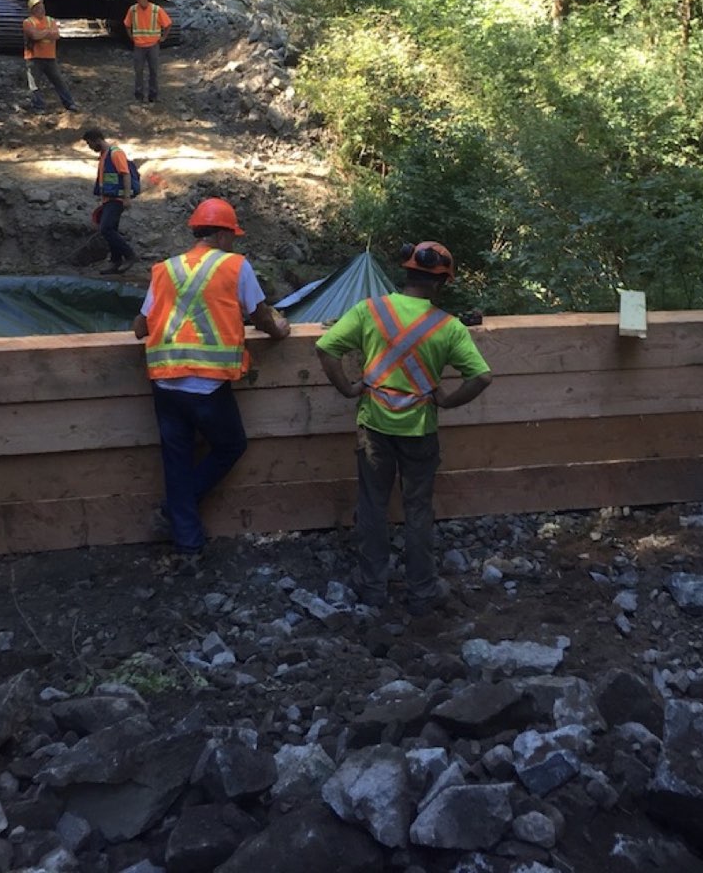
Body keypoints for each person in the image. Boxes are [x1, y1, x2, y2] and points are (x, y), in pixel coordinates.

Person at [316, 241, 492, 616]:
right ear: (441, 282)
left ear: (405, 273)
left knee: (373, 506)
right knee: (417, 509)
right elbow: (481, 377)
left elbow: (326, 348)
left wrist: (348, 388)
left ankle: (372, 587)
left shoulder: (370, 311)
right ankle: (422, 590)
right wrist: (447, 400)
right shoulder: (449, 327)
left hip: (374, 427)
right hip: (419, 430)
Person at [132, 197, 290, 555]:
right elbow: (262, 319)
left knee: (176, 459)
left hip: (165, 381)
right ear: (221, 234)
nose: (234, 242)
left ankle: (189, 545)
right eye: (232, 235)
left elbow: (140, 327)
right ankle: (174, 509)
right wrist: (281, 328)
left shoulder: (165, 269)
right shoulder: (235, 267)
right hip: (206, 384)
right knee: (231, 445)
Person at [83, 128, 137, 276]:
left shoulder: (115, 153)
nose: (90, 147)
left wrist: (126, 197)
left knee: (106, 229)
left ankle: (129, 255)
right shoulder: (104, 155)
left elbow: (125, 174)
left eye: (89, 144)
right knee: (111, 229)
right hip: (108, 199)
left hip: (117, 199)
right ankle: (115, 261)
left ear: (97, 140)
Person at [22, 0, 76, 112]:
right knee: (35, 85)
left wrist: (42, 33)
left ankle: (70, 104)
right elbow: (34, 36)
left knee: (59, 81)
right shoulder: (28, 22)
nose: (41, 9)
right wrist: (47, 32)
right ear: (32, 10)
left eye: (42, 7)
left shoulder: (50, 20)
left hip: (50, 57)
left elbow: (56, 35)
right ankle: (39, 106)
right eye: (38, 8)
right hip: (34, 58)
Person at [125, 0, 172, 103]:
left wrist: (163, 38)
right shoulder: (133, 10)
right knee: (138, 72)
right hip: (139, 46)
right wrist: (131, 36)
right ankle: (139, 96)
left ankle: (153, 96)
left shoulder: (156, 10)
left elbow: (168, 24)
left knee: (153, 72)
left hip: (152, 46)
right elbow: (127, 24)